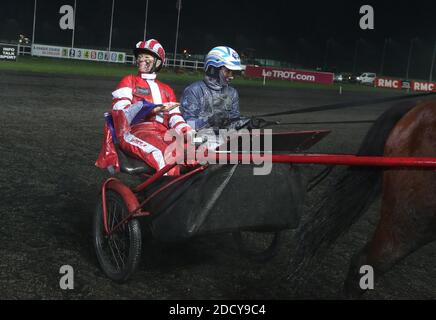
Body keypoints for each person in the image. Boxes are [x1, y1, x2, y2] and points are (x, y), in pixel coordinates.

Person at [95, 39, 193, 175]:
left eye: (146, 56)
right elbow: (121, 114)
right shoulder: (129, 81)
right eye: (139, 56)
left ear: (158, 62)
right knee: (165, 156)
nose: (141, 59)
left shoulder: (167, 89)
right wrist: (153, 109)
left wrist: (186, 131)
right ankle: (165, 194)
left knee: (198, 154)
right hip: (134, 132)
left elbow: (175, 117)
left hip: (163, 133)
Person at [180, 46, 252, 132]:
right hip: (198, 141)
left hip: (223, 140)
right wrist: (209, 121)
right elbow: (187, 124)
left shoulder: (232, 93)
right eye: (227, 71)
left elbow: (234, 122)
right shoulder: (194, 90)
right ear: (214, 69)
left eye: (233, 72)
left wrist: (245, 123)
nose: (231, 76)